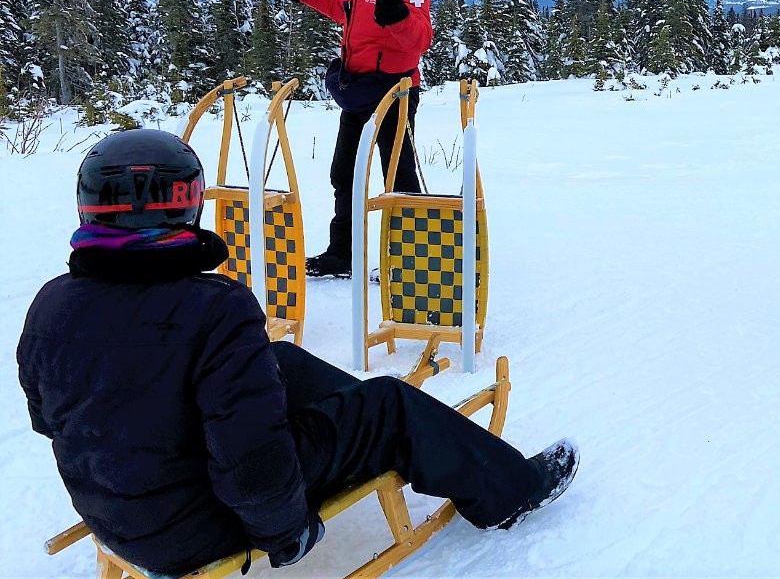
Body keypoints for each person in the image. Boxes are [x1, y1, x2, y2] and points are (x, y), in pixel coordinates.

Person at [18, 130, 579, 577]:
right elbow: (250, 461)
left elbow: (52, 420)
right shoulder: (214, 308)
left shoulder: (51, 306)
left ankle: (360, 422)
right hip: (203, 522)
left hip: (113, 511)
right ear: (186, 206)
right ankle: (509, 491)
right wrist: (285, 533)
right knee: (388, 402)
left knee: (276, 361)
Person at [268, 0, 433, 277]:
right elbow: (344, 8)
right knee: (344, 173)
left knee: (399, 179)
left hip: (396, 94)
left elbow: (420, 40)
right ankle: (343, 254)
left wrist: (396, 10)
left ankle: (413, 261)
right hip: (358, 90)